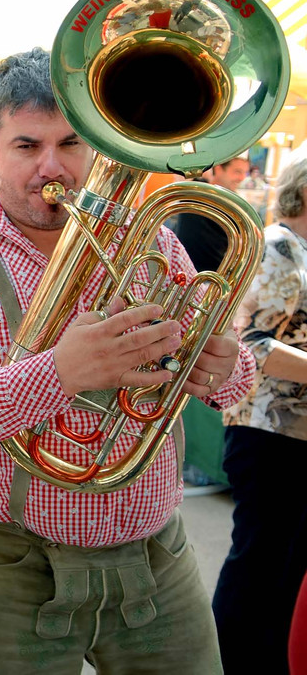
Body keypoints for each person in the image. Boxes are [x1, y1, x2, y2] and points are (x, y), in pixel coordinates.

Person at [0, 48, 255, 674]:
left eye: (70, 143)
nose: (51, 167)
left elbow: (233, 379)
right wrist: (60, 372)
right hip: (13, 571)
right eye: (26, 146)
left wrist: (228, 371)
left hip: (157, 557)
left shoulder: (151, 238)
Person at [213, 153, 307, 674]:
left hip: (290, 433)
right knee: (260, 565)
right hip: (267, 432)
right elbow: (253, 344)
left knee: (284, 568)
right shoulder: (277, 247)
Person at [171, 155, 250, 272]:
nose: (242, 178)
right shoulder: (196, 188)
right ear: (218, 169)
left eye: (245, 173)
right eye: (237, 172)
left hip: (214, 275)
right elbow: (178, 173)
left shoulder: (236, 205)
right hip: (182, 271)